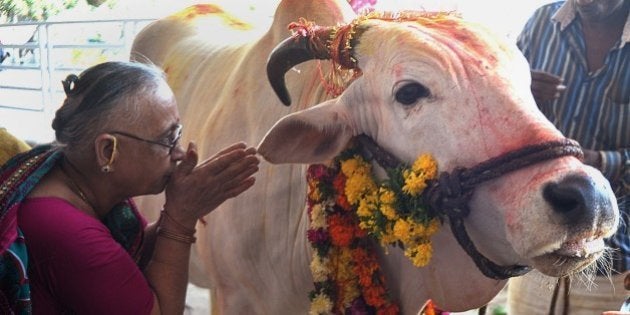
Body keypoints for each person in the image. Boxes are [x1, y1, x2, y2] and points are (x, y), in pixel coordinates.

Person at [0, 61, 260, 314]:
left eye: (178, 134)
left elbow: (120, 261)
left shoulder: (78, 177)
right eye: (168, 139)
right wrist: (181, 217)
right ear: (107, 151)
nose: (180, 153)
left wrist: (185, 208)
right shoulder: (64, 229)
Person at [509, 0, 629, 314]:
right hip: (535, 251)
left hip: (614, 269)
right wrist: (519, 90)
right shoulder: (541, 23)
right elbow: (496, 118)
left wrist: (601, 162)